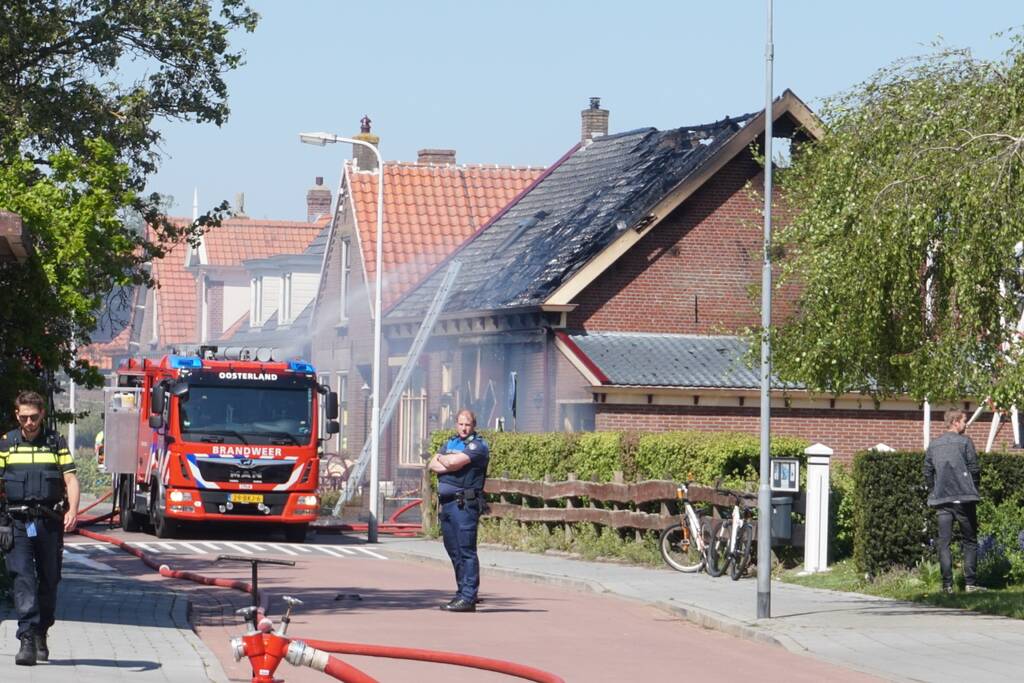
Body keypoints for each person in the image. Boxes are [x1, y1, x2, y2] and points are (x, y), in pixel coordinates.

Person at [0, 391, 80, 666]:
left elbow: (70, 479)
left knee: (49, 579)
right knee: (23, 578)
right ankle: (26, 638)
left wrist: (73, 510)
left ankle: (41, 631)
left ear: (42, 414)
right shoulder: (7, 443)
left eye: (34, 417)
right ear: (17, 415)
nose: (29, 423)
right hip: (17, 522)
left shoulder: (55, 442)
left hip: (48, 522)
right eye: (24, 417)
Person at [428, 409, 490, 613]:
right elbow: (432, 465)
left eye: (468, 425)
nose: (464, 428)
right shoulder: (451, 443)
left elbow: (452, 462)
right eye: (461, 424)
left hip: (464, 504)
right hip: (447, 504)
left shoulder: (477, 446)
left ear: (474, 426)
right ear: (456, 424)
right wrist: (446, 460)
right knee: (453, 550)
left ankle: (469, 597)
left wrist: (446, 460)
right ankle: (462, 592)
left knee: (466, 550)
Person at [923, 408, 982, 594]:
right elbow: (974, 469)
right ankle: (970, 584)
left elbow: (927, 471)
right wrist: (973, 488)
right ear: (955, 421)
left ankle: (947, 586)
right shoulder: (965, 442)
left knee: (944, 543)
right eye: (964, 421)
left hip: (942, 500)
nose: (966, 424)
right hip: (964, 499)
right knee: (970, 541)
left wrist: (934, 490)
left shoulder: (934, 445)